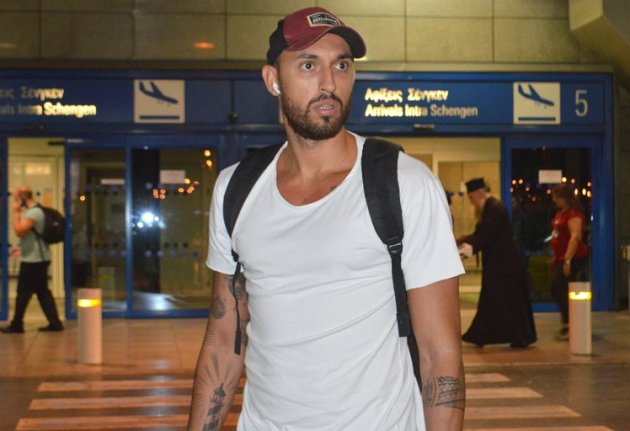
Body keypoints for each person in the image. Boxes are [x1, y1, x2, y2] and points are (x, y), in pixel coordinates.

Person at [188, 7, 465, 431]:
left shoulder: (403, 183)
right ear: (273, 80)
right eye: (308, 65)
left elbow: (440, 355)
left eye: (341, 65)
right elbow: (223, 343)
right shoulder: (236, 189)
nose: (329, 83)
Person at [458, 178, 536, 348]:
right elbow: (480, 234)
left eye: (471, 197)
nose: (471, 202)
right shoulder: (491, 208)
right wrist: (462, 241)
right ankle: (486, 335)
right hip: (500, 265)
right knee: (500, 302)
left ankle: (486, 335)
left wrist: (465, 250)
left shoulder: (494, 209)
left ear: (479, 194)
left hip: (504, 266)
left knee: (502, 302)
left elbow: (486, 236)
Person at [1, 186, 64, 333]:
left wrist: (16, 213)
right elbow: (31, 236)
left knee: (23, 292)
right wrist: (20, 248)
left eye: (16, 199)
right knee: (42, 292)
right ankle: (54, 323)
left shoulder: (34, 213)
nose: (15, 202)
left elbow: (19, 231)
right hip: (37, 258)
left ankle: (17, 324)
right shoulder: (34, 212)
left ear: (22, 198)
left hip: (34, 260)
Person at [550, 183, 588, 340]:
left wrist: (567, 261)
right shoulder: (561, 213)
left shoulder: (574, 214)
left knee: (557, 287)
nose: (554, 200)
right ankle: (568, 324)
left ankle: (571, 324)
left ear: (564, 198)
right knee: (560, 288)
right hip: (561, 257)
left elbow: (575, 237)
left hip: (572, 257)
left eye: (556, 197)